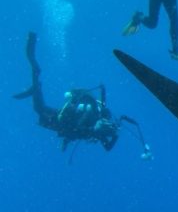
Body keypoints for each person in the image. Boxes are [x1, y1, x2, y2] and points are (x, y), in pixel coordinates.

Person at [13, 32, 151, 158]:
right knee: (39, 109)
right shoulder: (94, 121)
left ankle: (35, 85)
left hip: (65, 122)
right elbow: (83, 128)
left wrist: (114, 135)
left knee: (39, 108)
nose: (105, 128)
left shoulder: (98, 125)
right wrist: (102, 131)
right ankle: (35, 77)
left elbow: (107, 146)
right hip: (63, 121)